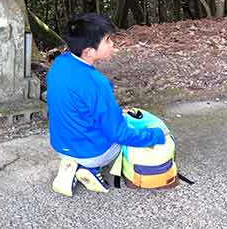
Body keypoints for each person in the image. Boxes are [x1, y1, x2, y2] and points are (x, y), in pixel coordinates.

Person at [46, 13, 166, 196]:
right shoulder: (96, 83)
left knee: (115, 119)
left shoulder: (60, 64)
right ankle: (90, 168)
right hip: (93, 152)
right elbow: (119, 133)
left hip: (60, 144)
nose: (112, 44)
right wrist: (156, 135)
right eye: (108, 40)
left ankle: (72, 164)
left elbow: (77, 103)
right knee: (129, 132)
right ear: (89, 52)